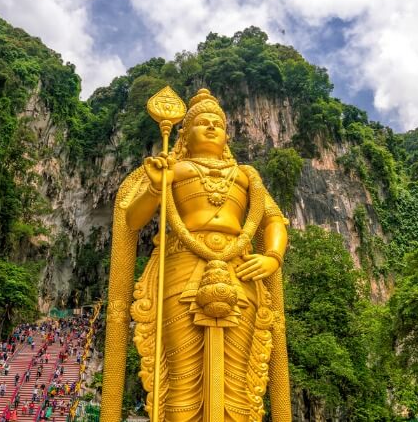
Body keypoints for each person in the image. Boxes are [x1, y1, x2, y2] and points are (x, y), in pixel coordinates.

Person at [102, 89, 290, 421]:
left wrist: (272, 256)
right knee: (181, 376)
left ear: (227, 134)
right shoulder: (174, 169)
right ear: (184, 133)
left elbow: (273, 220)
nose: (211, 127)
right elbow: (132, 219)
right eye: (201, 122)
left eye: (217, 122)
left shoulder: (246, 176)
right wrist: (155, 186)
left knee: (238, 377)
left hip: (239, 269)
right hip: (181, 266)